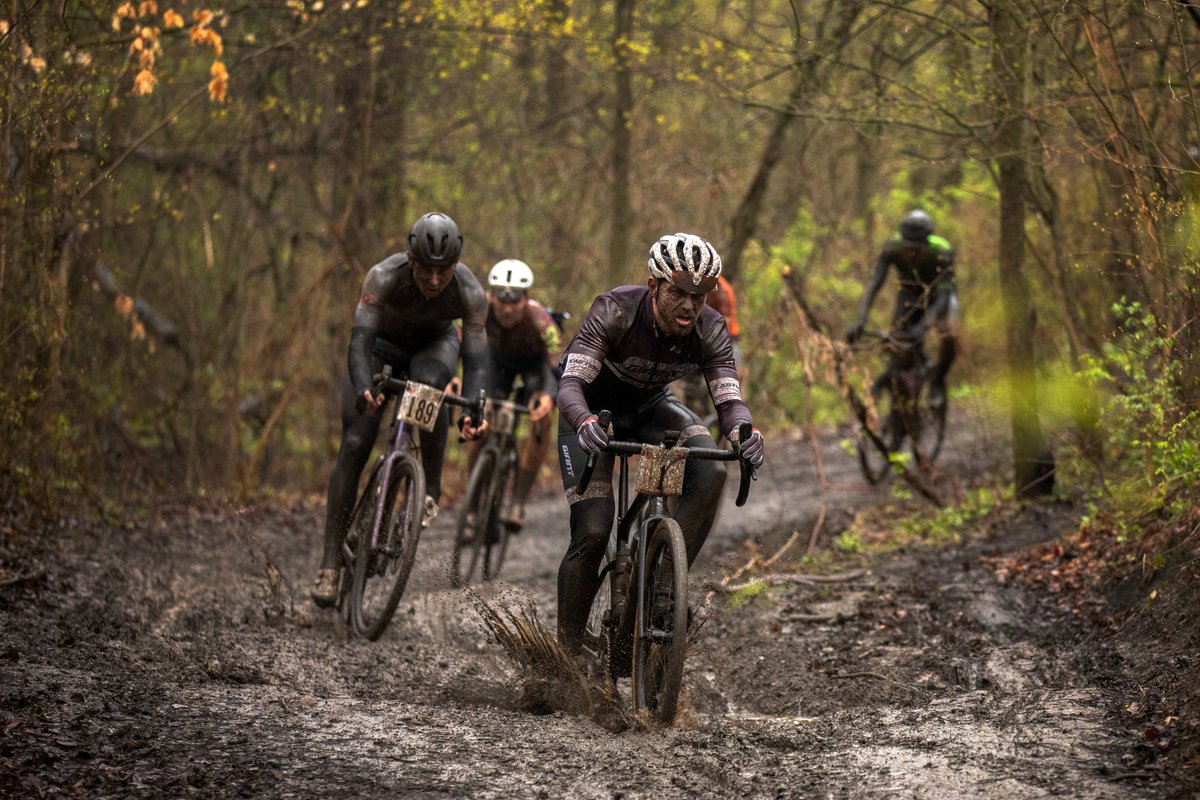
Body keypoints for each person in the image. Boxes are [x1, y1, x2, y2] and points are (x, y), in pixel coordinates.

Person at [554, 232, 766, 653]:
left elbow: (729, 401)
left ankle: (665, 583)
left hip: (651, 408)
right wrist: (583, 421)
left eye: (700, 297)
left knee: (711, 470)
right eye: (678, 294)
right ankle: (568, 651)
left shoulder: (710, 328)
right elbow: (570, 385)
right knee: (595, 530)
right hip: (593, 414)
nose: (689, 306)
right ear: (653, 285)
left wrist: (744, 431)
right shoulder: (614, 311)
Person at [312, 211, 489, 608]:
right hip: (380, 349)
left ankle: (431, 487)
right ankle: (328, 564)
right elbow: (359, 342)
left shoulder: (471, 293)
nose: (433, 280)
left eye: (443, 272)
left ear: (455, 267)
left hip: (434, 348)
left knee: (430, 392)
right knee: (356, 441)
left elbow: (476, 361)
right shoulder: (383, 276)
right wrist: (362, 386)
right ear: (411, 261)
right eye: (425, 270)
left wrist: (474, 409)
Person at [469, 258, 560, 527]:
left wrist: (549, 396)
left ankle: (518, 501)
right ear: (491, 296)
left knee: (541, 420)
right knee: (480, 421)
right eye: (501, 301)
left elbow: (557, 363)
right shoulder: (479, 312)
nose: (507, 310)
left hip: (534, 370)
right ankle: (472, 505)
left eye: (515, 302)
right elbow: (461, 347)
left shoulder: (541, 320)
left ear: (526, 298)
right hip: (497, 367)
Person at [846, 209, 959, 406]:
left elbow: (943, 297)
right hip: (909, 294)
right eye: (908, 248)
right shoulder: (892, 248)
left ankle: (938, 380)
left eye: (918, 249)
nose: (912, 254)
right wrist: (861, 319)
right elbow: (875, 284)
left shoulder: (942, 251)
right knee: (897, 340)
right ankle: (891, 381)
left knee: (949, 334)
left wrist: (925, 325)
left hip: (940, 296)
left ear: (927, 242)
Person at [676, 273, 743, 420]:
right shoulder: (694, 284)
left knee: (731, 379)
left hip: (727, 336)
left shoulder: (722, 290)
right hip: (701, 334)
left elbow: (721, 324)